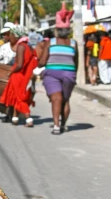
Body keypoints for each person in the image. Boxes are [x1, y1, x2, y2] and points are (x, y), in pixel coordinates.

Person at [39, 7, 77, 135]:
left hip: (52, 74)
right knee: (65, 100)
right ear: (69, 31)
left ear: (56, 30)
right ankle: (63, 124)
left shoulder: (51, 42)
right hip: (69, 73)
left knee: (56, 99)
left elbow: (43, 61)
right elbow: (76, 61)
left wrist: (39, 63)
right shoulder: (73, 43)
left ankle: (56, 126)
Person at [0, 25, 38, 127]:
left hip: (19, 76)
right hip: (26, 75)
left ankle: (29, 119)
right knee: (17, 96)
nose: (10, 37)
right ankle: (15, 118)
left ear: (16, 36)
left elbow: (20, 65)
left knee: (20, 98)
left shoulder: (21, 46)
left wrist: (11, 72)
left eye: (11, 34)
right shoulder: (28, 46)